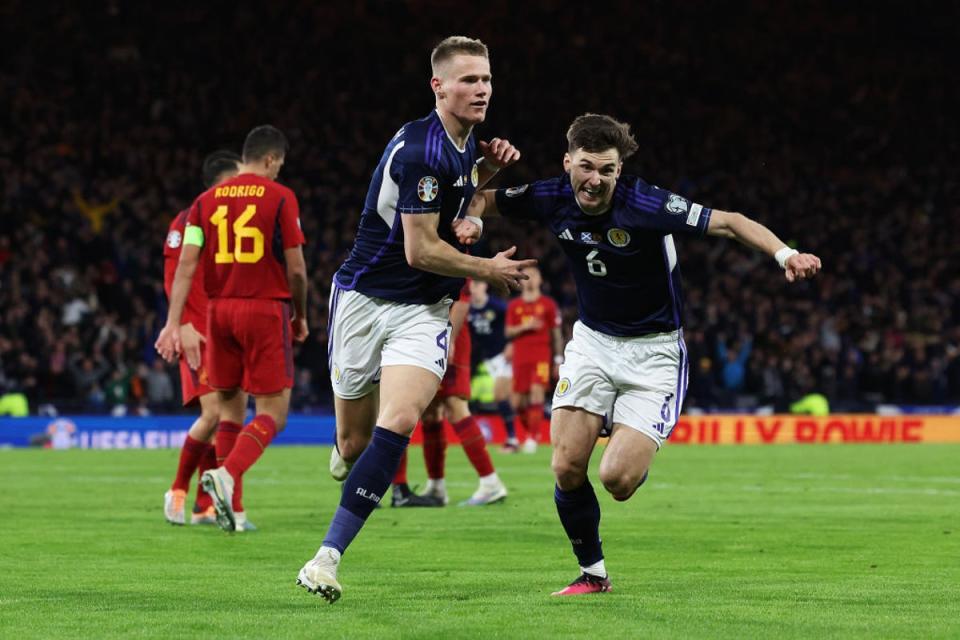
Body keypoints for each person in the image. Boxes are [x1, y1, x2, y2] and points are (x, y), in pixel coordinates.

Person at [463, 113, 821, 596]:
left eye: (607, 171)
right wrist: (475, 195)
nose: (595, 181)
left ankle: (633, 440)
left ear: (619, 170)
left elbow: (731, 223)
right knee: (566, 466)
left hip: (654, 354)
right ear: (568, 162)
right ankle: (593, 573)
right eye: (586, 167)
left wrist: (786, 256)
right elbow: (478, 201)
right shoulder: (550, 197)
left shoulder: (646, 203)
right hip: (592, 342)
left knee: (617, 479)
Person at [296, 35, 533, 603]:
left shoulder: (462, 144)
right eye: (469, 80)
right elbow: (420, 250)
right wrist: (485, 269)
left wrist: (483, 175)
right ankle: (343, 443)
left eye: (487, 80)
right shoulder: (424, 149)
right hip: (365, 299)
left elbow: (456, 205)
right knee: (354, 446)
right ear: (439, 86)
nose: (482, 90)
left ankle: (324, 559)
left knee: (399, 421)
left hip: (424, 310)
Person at [156, 125, 308, 533]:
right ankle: (223, 477)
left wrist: (173, 321)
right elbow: (295, 268)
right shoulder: (279, 196)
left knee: (228, 412)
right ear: (271, 159)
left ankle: (233, 512)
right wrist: (301, 314)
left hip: (217, 314)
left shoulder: (202, 204)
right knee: (273, 413)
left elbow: (187, 265)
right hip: (260, 308)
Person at [162, 150, 251, 527]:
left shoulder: (229, 224)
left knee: (225, 419)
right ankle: (178, 490)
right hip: (197, 330)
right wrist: (180, 324)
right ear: (221, 183)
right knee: (215, 413)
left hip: (225, 330)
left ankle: (205, 504)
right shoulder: (188, 220)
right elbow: (175, 275)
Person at [391, 280, 508, 507]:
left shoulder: (451, 247)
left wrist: (450, 340)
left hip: (446, 336)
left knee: (455, 406)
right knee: (430, 413)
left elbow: (463, 297)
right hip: (429, 333)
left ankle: (490, 482)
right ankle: (436, 487)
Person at [505, 265, 563, 453]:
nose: (530, 279)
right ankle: (531, 431)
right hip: (521, 357)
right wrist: (525, 326)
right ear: (520, 281)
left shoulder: (548, 304)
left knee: (537, 392)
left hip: (541, 356)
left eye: (534, 275)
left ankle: (533, 438)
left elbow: (556, 334)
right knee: (518, 402)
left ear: (540, 280)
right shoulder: (514, 306)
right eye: (526, 276)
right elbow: (508, 331)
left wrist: (558, 358)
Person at [465, 279, 518, 451]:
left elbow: (512, 323)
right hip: (486, 358)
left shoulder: (497, 306)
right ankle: (514, 437)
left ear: (484, 286)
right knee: (503, 398)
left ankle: (513, 439)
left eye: (476, 285)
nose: (473, 289)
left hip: (503, 355)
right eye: (471, 285)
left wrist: (511, 344)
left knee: (500, 395)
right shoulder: (469, 310)